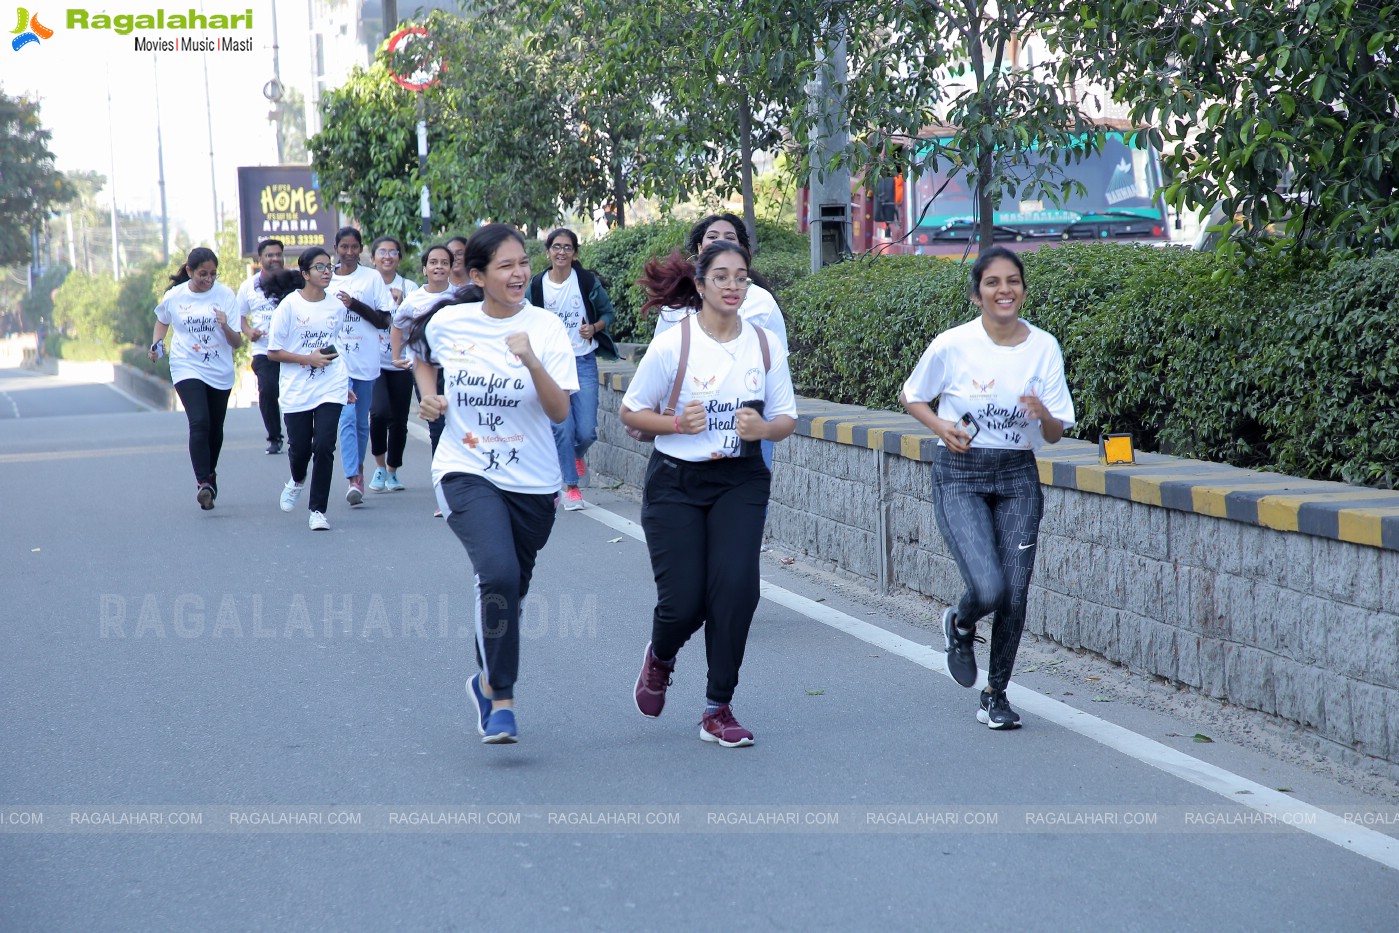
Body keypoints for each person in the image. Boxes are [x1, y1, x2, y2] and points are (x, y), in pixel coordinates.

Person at [622, 241, 797, 748]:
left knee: (737, 590)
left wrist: (763, 429)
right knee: (683, 604)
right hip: (676, 480)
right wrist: (676, 421)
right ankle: (660, 655)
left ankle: (718, 708)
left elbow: (786, 418)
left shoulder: (764, 345)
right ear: (699, 286)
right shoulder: (674, 344)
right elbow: (632, 413)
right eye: (721, 277)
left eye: (741, 277)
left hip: (740, 480)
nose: (732, 286)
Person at [410, 224, 577, 744]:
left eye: (523, 262)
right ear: (477, 275)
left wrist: (529, 357)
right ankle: (501, 696)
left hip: (532, 482)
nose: (520, 272)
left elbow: (559, 410)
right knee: (498, 575)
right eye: (505, 266)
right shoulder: (450, 322)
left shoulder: (546, 328)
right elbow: (418, 353)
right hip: (464, 467)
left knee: (512, 588)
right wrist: (429, 396)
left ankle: (483, 678)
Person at [899, 245, 1076, 730]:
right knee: (989, 586)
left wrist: (1044, 416)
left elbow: (1057, 432)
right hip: (961, 473)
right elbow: (912, 395)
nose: (1004, 290)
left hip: (1018, 474)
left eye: (1013, 281)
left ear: (1022, 288)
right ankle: (960, 621)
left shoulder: (1044, 347)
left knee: (1015, 594)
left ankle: (995, 695)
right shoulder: (953, 344)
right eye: (993, 282)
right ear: (977, 293)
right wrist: (941, 427)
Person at [651, 213, 789, 470]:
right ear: (699, 249)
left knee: (749, 502)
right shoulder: (676, 304)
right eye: (712, 237)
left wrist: (770, 420)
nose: (720, 242)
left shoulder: (762, 302)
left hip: (748, 419)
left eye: (729, 237)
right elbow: (658, 367)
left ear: (742, 248)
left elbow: (777, 368)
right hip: (690, 418)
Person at [527, 227, 617, 511]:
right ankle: (572, 487)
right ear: (548, 252)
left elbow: (608, 313)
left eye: (567, 247)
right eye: (556, 247)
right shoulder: (538, 285)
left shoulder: (586, 281)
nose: (561, 252)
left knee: (587, 431)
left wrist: (594, 328)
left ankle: (572, 456)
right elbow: (525, 317)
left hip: (583, 360)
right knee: (562, 427)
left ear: (575, 253)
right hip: (551, 365)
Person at [149, 247, 242, 510]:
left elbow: (236, 342)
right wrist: (157, 343)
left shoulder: (225, 295)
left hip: (220, 369)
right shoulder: (175, 296)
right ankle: (203, 482)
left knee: (215, 428)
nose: (209, 279)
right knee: (199, 421)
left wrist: (224, 325)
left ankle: (210, 474)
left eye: (213, 274)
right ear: (189, 271)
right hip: (186, 365)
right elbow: (161, 320)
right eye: (203, 274)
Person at [266, 248, 353, 531]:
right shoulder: (289, 307)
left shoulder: (337, 307)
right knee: (300, 449)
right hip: (297, 388)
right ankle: (296, 480)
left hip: (331, 383)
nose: (327, 272)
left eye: (329, 266)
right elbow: (273, 352)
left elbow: (335, 346)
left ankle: (318, 510)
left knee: (325, 445)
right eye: (319, 267)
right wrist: (307, 359)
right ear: (305, 274)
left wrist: (345, 385)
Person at [328, 226, 395, 507]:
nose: (350, 252)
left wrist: (353, 304)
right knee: (345, 417)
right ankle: (353, 478)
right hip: (335, 363)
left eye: (355, 247)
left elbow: (384, 321)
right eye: (344, 247)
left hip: (366, 361)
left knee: (360, 423)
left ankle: (359, 470)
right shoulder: (325, 279)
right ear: (336, 248)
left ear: (361, 248)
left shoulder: (371, 278)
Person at [367, 235, 417, 493]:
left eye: (393, 252)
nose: (387, 256)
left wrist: (402, 304)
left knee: (399, 419)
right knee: (378, 412)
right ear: (373, 258)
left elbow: (418, 323)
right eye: (382, 252)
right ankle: (378, 466)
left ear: (399, 258)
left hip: (401, 362)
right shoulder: (366, 286)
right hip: (372, 362)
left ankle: (392, 470)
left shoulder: (410, 288)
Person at [237, 238, 286, 454]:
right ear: (260, 259)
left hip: (294, 350)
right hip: (264, 350)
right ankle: (275, 437)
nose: (275, 258)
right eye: (270, 255)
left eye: (278, 254)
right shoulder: (249, 286)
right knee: (267, 390)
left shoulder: (296, 282)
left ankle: (302, 434)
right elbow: (238, 317)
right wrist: (249, 332)